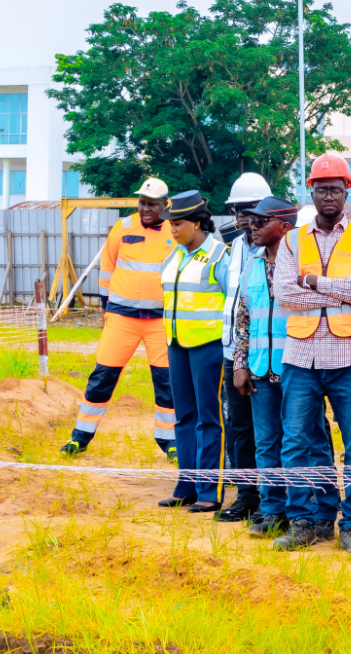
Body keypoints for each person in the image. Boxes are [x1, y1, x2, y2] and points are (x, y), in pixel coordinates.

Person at [272, 153, 351, 555]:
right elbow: (284, 294)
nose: (329, 197)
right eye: (322, 190)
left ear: (347, 192)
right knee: (296, 442)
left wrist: (314, 281)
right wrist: (340, 290)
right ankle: (304, 522)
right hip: (301, 356)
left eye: (336, 190)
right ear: (312, 193)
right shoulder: (291, 240)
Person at [63, 178, 177, 460]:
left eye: (152, 204)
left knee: (167, 382)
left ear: (166, 204)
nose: (145, 208)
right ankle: (79, 438)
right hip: (122, 319)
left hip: (160, 322)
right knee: (102, 377)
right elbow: (106, 271)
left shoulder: (175, 231)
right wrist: (107, 309)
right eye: (142, 202)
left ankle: (170, 442)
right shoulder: (123, 228)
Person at [229, 196, 308, 537]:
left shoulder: (303, 264)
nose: (253, 225)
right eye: (252, 220)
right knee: (265, 443)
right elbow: (243, 318)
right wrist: (240, 364)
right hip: (260, 369)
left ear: (285, 227)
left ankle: (304, 512)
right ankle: (272, 511)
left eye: (262, 220)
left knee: (299, 442)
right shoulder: (252, 264)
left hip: (297, 369)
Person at [158, 190, 230, 512]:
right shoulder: (172, 257)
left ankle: (209, 491)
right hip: (177, 345)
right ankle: (185, 487)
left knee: (208, 417)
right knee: (184, 416)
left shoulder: (219, 255)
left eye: (178, 223)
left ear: (198, 223)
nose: (172, 229)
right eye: (170, 223)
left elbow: (234, 300)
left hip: (208, 347)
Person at [215, 172, 272, 524]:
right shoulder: (234, 248)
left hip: (266, 353)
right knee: (240, 427)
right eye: (238, 210)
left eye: (250, 209)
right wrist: (236, 355)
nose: (244, 217)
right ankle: (247, 495)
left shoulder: (281, 246)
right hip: (232, 353)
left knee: (273, 428)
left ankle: (276, 497)